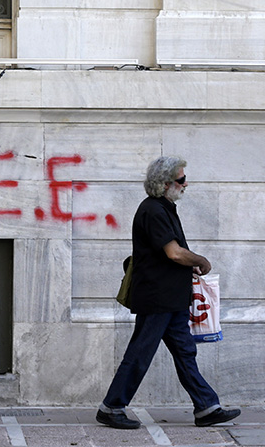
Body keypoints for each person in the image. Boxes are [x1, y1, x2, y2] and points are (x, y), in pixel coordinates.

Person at [96, 156, 240, 429]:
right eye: (181, 180)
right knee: (140, 352)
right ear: (165, 184)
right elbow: (173, 253)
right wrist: (200, 260)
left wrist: (189, 269)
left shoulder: (165, 208)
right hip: (157, 298)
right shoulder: (153, 210)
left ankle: (207, 407)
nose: (186, 184)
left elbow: (170, 256)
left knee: (185, 352)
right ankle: (111, 407)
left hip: (171, 297)